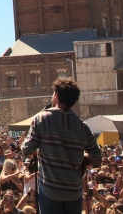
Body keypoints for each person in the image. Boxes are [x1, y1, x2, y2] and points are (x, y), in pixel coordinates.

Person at [21, 78, 102, 214]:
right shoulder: (83, 127)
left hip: (50, 191)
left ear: (56, 96)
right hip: (74, 193)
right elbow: (97, 158)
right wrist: (79, 160)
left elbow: (26, 149)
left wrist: (41, 154)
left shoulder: (41, 119)